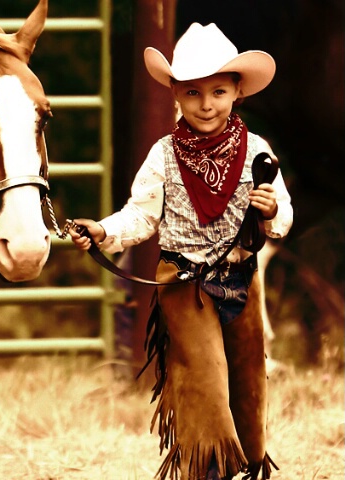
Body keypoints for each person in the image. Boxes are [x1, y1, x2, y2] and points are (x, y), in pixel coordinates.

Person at [69, 23, 292, 480]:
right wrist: (103, 231)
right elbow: (140, 217)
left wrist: (269, 211)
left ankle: (247, 465)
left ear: (237, 93)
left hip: (241, 282)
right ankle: (206, 472)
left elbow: (283, 219)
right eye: (192, 93)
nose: (206, 104)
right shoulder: (163, 155)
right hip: (184, 285)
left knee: (248, 394)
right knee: (205, 387)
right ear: (175, 94)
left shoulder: (257, 153)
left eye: (217, 92)